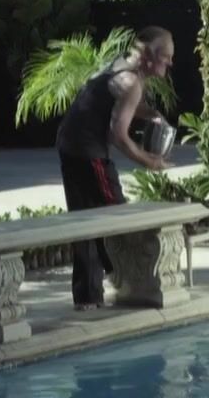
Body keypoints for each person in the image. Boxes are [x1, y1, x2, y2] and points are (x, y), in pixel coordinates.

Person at [56, 26, 175, 311]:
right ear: (148, 56)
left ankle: (87, 297)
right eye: (166, 56)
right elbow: (118, 136)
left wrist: (151, 113)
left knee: (85, 220)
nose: (170, 63)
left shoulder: (119, 67)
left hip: (69, 143)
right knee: (118, 218)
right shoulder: (131, 81)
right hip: (87, 150)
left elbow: (117, 101)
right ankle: (131, 282)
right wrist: (150, 161)